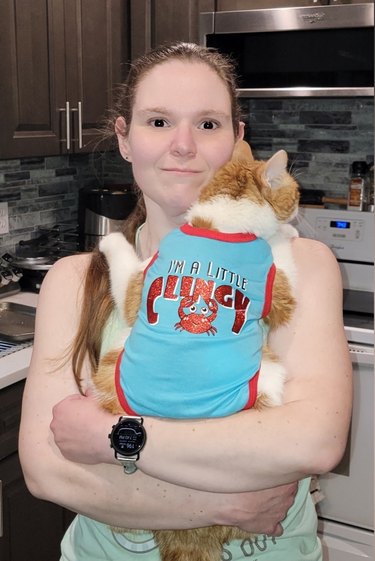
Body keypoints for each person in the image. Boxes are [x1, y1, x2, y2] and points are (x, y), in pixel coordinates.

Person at [19, 42, 352, 561]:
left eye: (208, 124)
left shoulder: (298, 266)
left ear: (238, 142)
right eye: (157, 122)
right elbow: (46, 471)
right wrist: (224, 506)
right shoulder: (77, 280)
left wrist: (113, 435)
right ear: (125, 139)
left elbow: (314, 441)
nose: (182, 145)